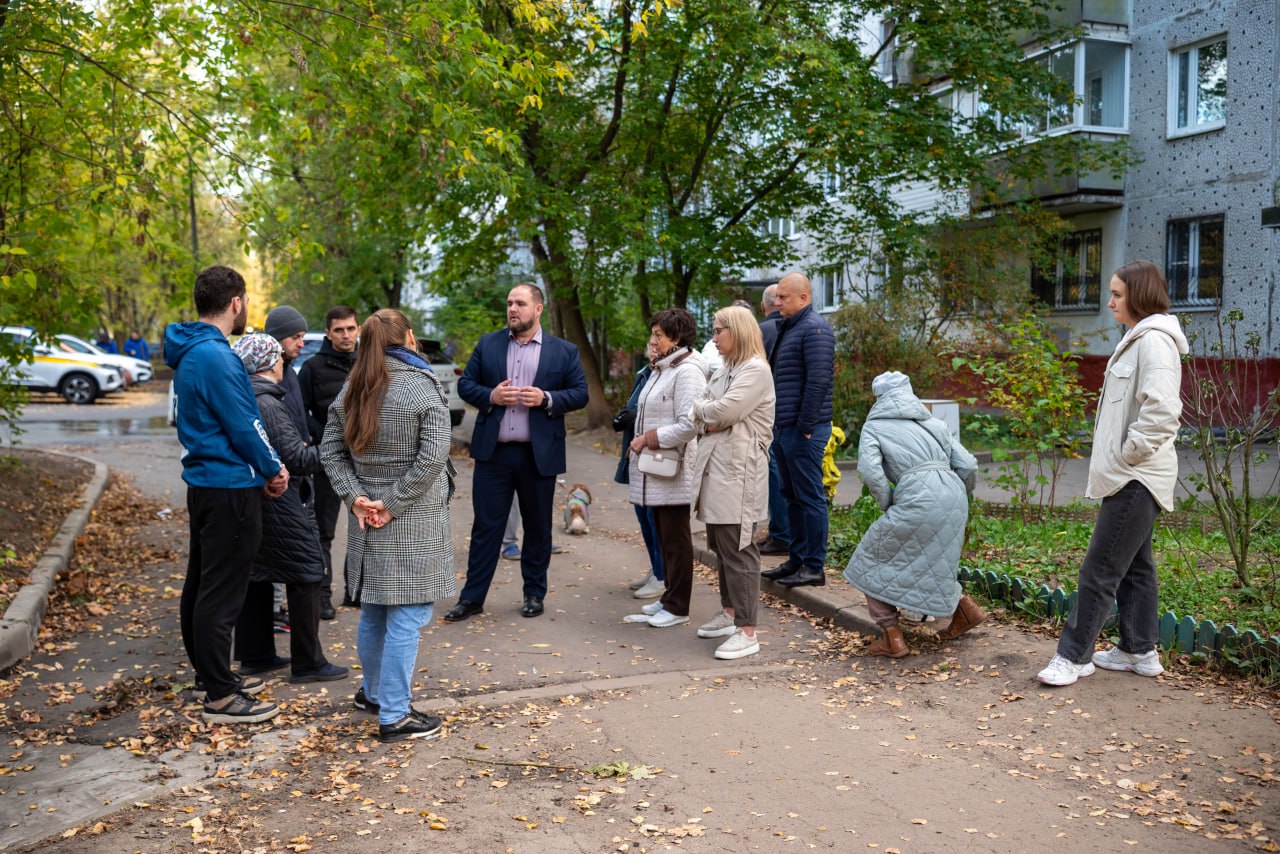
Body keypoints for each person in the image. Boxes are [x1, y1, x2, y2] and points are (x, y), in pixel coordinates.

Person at [1037, 260, 1188, 686]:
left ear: (1139, 295)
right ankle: (1138, 651)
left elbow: (1162, 411)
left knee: (1099, 569)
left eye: (1117, 294)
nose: (1110, 302)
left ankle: (1072, 657)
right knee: (1136, 567)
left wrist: (1129, 454)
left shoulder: (1153, 341)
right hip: (1131, 474)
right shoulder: (1139, 338)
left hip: (1136, 476)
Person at [320, 308, 456, 742]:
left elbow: (329, 452)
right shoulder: (421, 386)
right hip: (411, 518)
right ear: (409, 337)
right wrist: (392, 505)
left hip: (368, 517)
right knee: (407, 615)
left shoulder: (354, 385)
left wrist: (356, 498)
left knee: (376, 610)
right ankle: (395, 715)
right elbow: (432, 458)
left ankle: (374, 694)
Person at [163, 265, 288, 725]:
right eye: (246, 301)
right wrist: (273, 467)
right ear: (236, 302)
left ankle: (211, 676)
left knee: (203, 584)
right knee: (220, 591)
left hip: (206, 483)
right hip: (229, 486)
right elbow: (244, 423)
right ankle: (220, 696)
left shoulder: (192, 350)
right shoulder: (216, 356)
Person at [445, 283, 589, 622]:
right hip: (493, 454)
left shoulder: (563, 351)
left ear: (538, 309)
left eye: (520, 303)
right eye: (509, 303)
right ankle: (472, 598)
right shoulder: (489, 343)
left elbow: (580, 393)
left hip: (538, 455)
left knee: (538, 528)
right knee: (486, 528)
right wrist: (490, 396)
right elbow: (466, 384)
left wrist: (547, 398)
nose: (512, 308)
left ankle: (534, 595)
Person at [231, 333, 348, 684]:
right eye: (279, 358)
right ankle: (308, 663)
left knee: (258, 574)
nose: (284, 362)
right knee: (307, 572)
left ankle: (256, 655)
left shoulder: (246, 395)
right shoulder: (267, 402)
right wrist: (336, 449)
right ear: (269, 363)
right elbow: (296, 458)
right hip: (281, 502)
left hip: (259, 500)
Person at [841, 371, 981, 658]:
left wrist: (889, 502)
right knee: (934, 559)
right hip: (953, 494)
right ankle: (966, 611)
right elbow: (967, 465)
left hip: (917, 494)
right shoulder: (934, 423)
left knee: (868, 560)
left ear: (878, 397)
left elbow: (870, 472)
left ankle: (892, 637)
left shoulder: (874, 426)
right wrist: (957, 495)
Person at [689, 306, 775, 659]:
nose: (713, 337)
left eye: (718, 330)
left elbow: (723, 411)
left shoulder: (755, 370)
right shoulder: (726, 369)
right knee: (721, 547)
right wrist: (707, 415)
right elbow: (701, 410)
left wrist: (708, 413)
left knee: (738, 549)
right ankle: (729, 613)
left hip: (739, 474)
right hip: (718, 471)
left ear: (736, 332)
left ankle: (747, 630)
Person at [626, 308, 707, 628]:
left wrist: (649, 438)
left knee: (676, 540)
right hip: (657, 469)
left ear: (677, 337)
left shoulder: (687, 372)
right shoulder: (663, 368)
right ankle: (668, 597)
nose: (653, 340)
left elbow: (690, 424)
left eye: (659, 334)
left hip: (674, 469)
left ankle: (678, 606)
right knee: (664, 537)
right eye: (653, 333)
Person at [761, 272, 835, 588]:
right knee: (791, 495)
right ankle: (796, 559)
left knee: (809, 497)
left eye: (783, 297)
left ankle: (814, 567)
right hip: (784, 426)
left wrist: (805, 426)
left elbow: (819, 381)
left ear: (803, 298)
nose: (777, 303)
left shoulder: (815, 329)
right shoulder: (790, 327)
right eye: (777, 297)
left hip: (803, 429)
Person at [299, 305, 361, 618]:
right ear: (328, 333)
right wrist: (326, 437)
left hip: (365, 459)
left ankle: (356, 592)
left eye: (350, 328)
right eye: (339, 330)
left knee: (364, 527)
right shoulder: (311, 368)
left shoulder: (370, 362)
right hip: (328, 462)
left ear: (358, 329)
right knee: (323, 532)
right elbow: (301, 412)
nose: (346, 335)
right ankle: (322, 597)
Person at [613, 364, 665, 599]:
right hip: (635, 455)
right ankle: (655, 569)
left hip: (658, 457)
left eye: (656, 345)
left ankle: (662, 575)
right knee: (643, 515)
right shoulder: (643, 374)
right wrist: (624, 417)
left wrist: (639, 419)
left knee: (655, 518)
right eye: (650, 346)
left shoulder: (675, 373)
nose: (652, 350)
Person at [756, 284, 790, 556]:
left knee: (774, 472)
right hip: (789, 413)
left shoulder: (761, 332)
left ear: (763, 306)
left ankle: (780, 534)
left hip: (768, 413)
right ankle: (785, 533)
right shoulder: (794, 329)